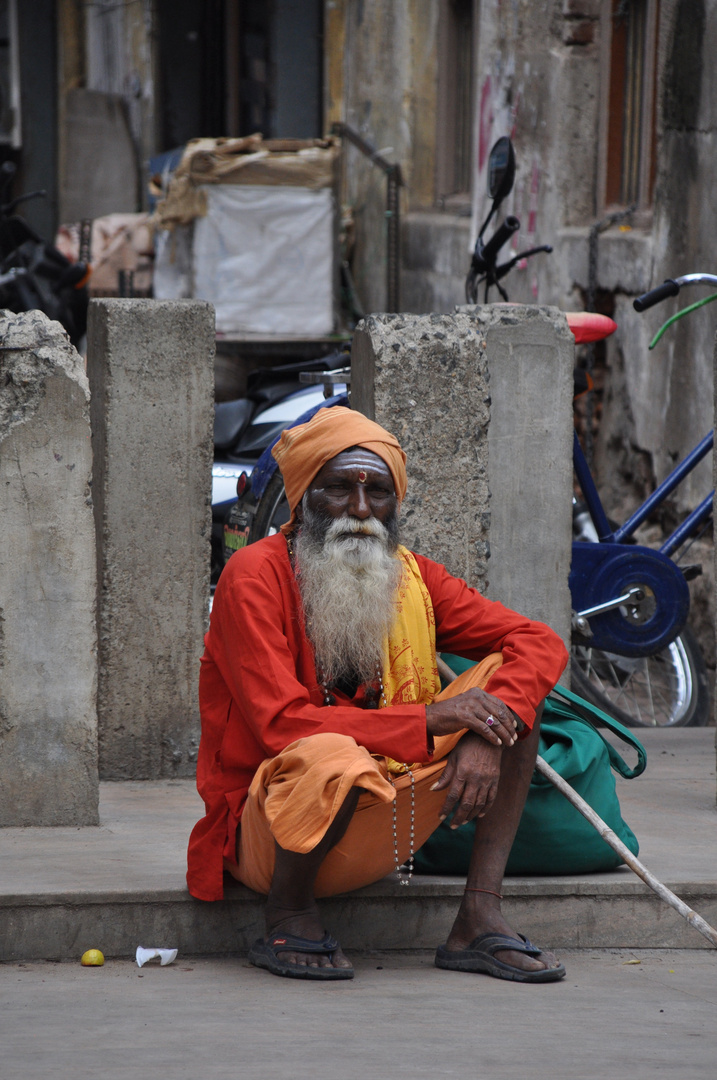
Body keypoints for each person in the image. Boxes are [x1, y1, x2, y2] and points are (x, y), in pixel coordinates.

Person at [188, 406, 569, 982]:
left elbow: (535, 639)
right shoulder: (253, 575)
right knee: (329, 753)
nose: (361, 511)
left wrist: (488, 732)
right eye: (338, 490)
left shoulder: (412, 575)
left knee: (508, 701)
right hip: (273, 832)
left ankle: (478, 917)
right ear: (302, 497)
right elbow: (282, 725)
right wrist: (434, 718)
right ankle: (288, 913)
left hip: (389, 812)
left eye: (379, 495)